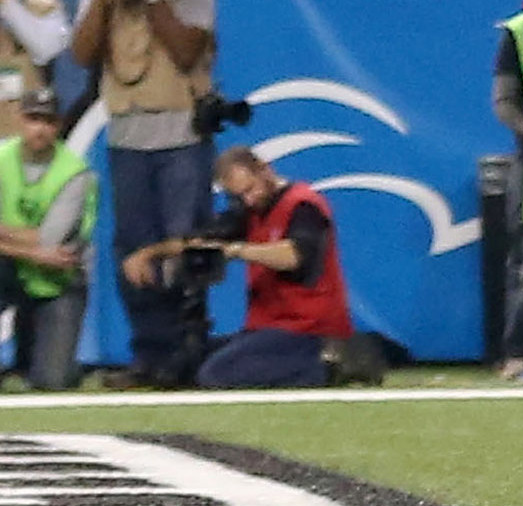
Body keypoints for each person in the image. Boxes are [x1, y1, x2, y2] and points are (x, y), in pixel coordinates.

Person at [70, 0, 214, 386]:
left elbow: (187, 52)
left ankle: (186, 356)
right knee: (133, 250)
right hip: (127, 137)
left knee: (185, 245)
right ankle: (149, 356)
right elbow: (83, 54)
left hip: (182, 136)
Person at [119, 145, 358, 389]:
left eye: (250, 190)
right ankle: (313, 364)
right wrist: (149, 254)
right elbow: (200, 240)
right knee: (188, 364)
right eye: (239, 196)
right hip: (269, 327)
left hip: (308, 327)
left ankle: (330, 365)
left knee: (217, 374)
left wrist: (238, 250)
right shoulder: (251, 211)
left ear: (264, 170)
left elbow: (295, 255)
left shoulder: (304, 205)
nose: (248, 199)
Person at [0, 88, 91, 390]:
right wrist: (33, 250)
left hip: (58, 280)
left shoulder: (75, 173)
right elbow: (41, 247)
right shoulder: (2, 158)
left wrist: (6, 232)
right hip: (13, 269)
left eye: (47, 121)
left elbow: (52, 240)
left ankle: (47, 359)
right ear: (20, 119)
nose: (39, 128)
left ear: (58, 124)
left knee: (51, 382)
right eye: (32, 119)